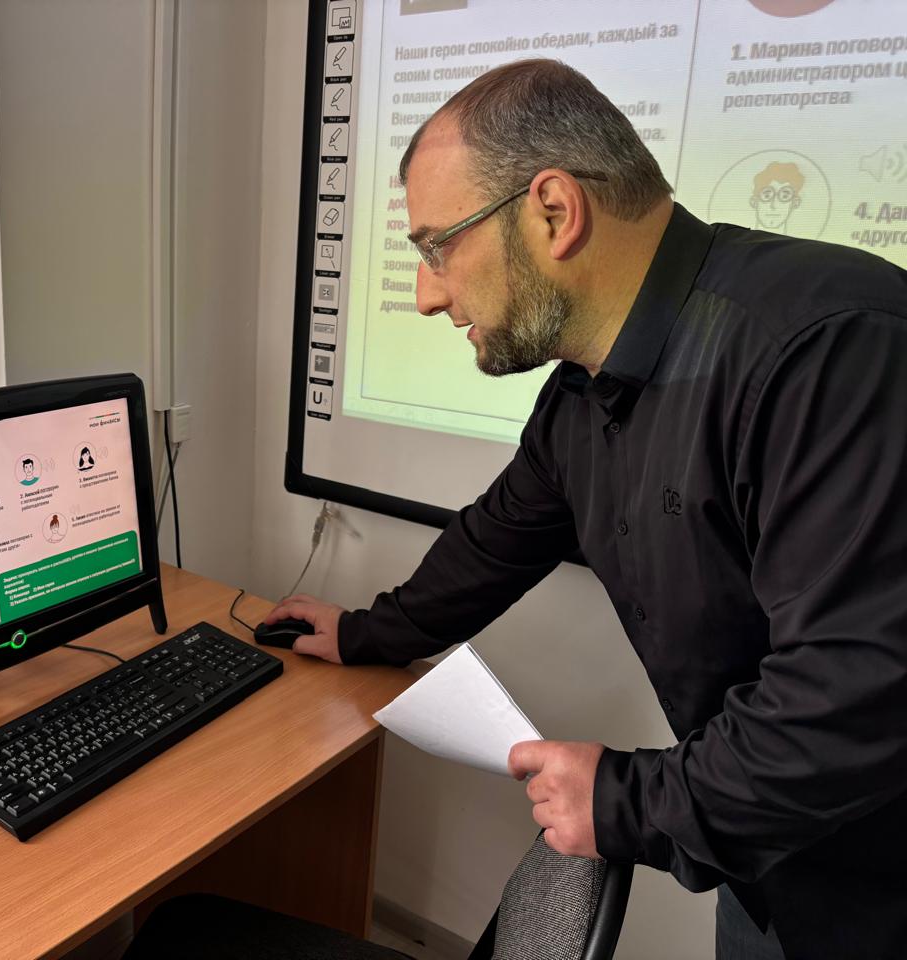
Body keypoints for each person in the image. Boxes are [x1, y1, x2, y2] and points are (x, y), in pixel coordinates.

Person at [263, 59, 907, 960]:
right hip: (769, 864)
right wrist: (367, 633)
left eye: (438, 247)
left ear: (554, 212)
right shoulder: (582, 396)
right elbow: (496, 540)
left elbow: (855, 695)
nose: (427, 293)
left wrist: (622, 802)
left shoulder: (825, 348)